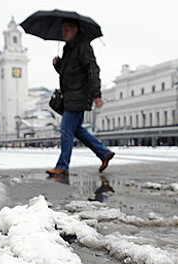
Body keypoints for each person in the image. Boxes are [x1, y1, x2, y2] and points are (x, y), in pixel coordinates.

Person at [45, 19, 114, 176]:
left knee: (66, 129)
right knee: (76, 130)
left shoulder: (83, 47)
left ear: (76, 29)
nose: (64, 33)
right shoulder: (68, 49)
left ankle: (62, 166)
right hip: (71, 95)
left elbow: (92, 70)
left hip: (79, 96)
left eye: (66, 30)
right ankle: (104, 153)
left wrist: (96, 94)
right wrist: (58, 65)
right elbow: (70, 74)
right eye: (62, 30)